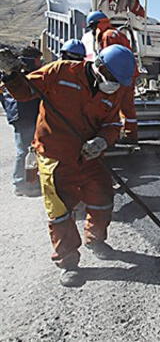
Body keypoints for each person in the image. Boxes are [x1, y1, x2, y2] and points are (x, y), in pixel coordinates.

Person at [0, 45, 136, 287]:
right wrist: (11, 74)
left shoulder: (113, 91)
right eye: (112, 79)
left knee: (103, 198)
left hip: (90, 156)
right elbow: (24, 92)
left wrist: (103, 140)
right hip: (56, 155)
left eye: (119, 82)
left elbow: (113, 123)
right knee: (61, 211)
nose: (114, 85)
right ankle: (69, 262)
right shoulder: (62, 72)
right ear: (100, 67)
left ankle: (96, 240)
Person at [86, 11, 138, 143]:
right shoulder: (117, 33)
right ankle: (130, 135)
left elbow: (109, 58)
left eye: (92, 27)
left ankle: (112, 136)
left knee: (113, 106)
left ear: (97, 24)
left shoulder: (107, 36)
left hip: (117, 75)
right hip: (128, 73)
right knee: (127, 106)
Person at [0, 47, 42, 196]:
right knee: (24, 150)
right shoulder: (25, 74)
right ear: (31, 60)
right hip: (24, 115)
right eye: (38, 59)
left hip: (20, 115)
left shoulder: (13, 73)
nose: (40, 62)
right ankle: (20, 183)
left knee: (27, 149)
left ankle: (28, 181)